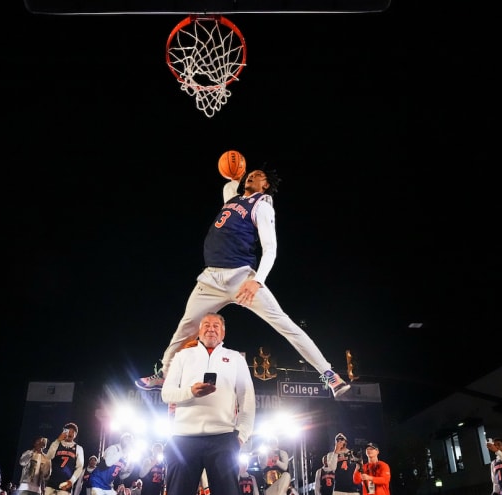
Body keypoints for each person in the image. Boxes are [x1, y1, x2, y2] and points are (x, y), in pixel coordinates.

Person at [136, 168, 350, 398]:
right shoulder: (234, 199)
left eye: (258, 175)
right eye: (250, 173)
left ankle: (329, 375)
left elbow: (271, 249)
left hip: (241, 278)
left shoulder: (263, 205)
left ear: (266, 185)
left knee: (285, 325)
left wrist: (257, 281)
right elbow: (228, 186)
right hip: (210, 279)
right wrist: (235, 172)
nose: (251, 175)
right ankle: (164, 374)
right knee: (185, 328)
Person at [160, 312, 256, 495]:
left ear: (223, 333)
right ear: (199, 330)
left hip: (223, 438)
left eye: (216, 326)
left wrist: (241, 435)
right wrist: (191, 391)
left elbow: (247, 399)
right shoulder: (182, 356)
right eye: (206, 325)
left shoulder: (235, 358)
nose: (211, 329)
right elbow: (166, 393)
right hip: (183, 437)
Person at [45, 423, 85, 495]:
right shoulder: (57, 443)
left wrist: (71, 481)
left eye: (73, 432)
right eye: (68, 430)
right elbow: (48, 457)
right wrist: (57, 441)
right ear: (64, 431)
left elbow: (79, 467)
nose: (70, 433)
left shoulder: (78, 448)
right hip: (51, 483)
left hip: (65, 484)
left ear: (75, 435)